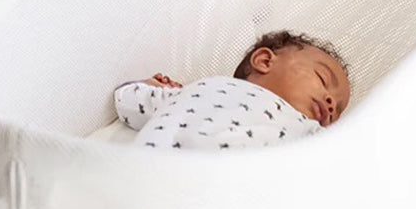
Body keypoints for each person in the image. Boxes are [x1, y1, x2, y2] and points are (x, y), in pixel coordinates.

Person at [113, 30, 350, 150]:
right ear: (264, 61)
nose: (331, 104)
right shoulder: (201, 89)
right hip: (152, 182)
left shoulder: (309, 135)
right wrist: (157, 88)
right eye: (322, 79)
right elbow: (128, 100)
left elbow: (127, 100)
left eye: (338, 113)